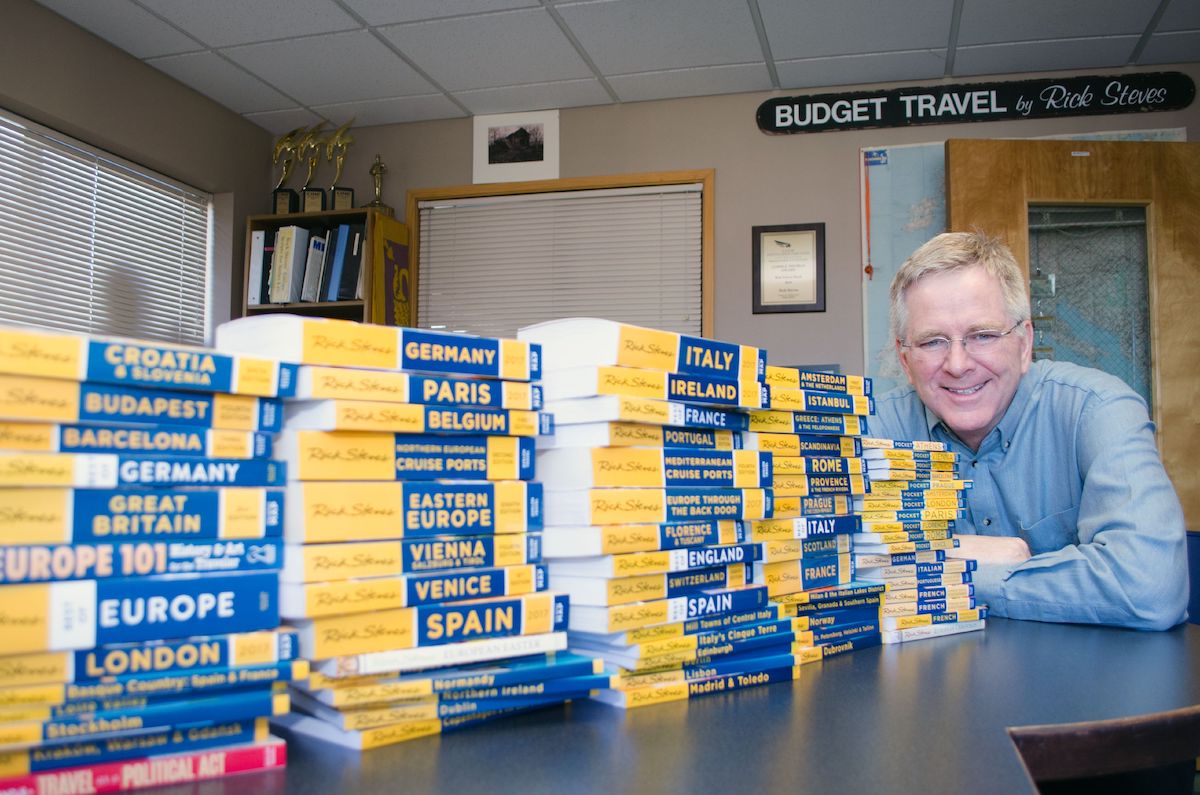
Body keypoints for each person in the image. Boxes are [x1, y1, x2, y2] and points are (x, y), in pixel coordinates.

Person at [870, 231, 1187, 630]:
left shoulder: (1096, 409)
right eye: (932, 342)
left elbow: (1150, 586)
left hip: (1086, 683)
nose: (956, 363)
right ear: (904, 359)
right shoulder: (873, 429)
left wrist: (952, 571)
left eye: (982, 335)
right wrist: (968, 554)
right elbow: (808, 569)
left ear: (1024, 344)